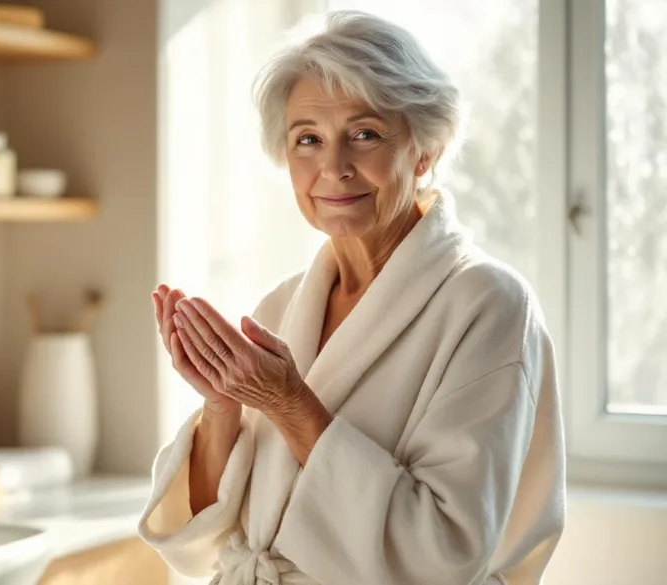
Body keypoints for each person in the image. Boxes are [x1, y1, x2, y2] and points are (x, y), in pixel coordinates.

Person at [138, 10, 566, 585]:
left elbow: (444, 552)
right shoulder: (282, 305)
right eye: (307, 140)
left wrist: (290, 403)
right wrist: (222, 406)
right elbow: (206, 544)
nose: (333, 168)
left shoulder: (489, 306)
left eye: (365, 134)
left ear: (424, 150)